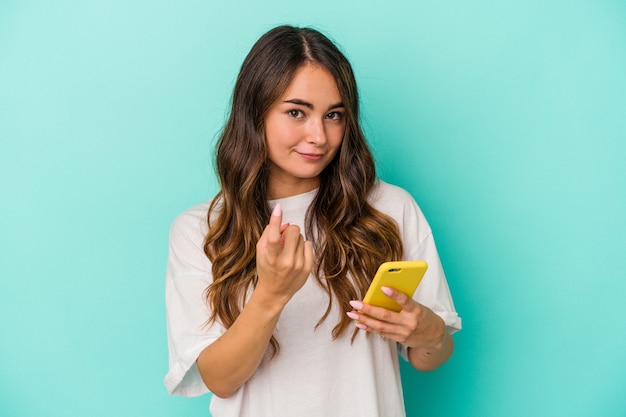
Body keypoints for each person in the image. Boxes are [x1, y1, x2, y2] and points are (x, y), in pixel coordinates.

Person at [164, 25, 461, 417]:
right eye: (296, 112)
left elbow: (430, 356)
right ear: (255, 113)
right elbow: (219, 379)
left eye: (334, 115)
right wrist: (270, 294)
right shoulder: (202, 229)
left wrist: (428, 331)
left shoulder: (388, 208)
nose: (319, 136)